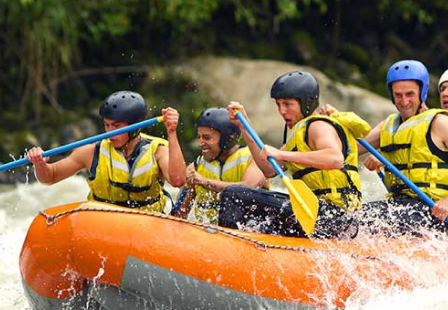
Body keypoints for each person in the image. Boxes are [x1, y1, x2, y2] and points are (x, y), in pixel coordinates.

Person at [223, 71, 371, 238]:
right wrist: (244, 126)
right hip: (316, 212)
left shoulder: (318, 126)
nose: (282, 111)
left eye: (287, 104)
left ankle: (229, 245)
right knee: (250, 204)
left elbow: (334, 158)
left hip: (334, 216)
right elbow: (269, 169)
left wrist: (283, 154)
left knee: (235, 194)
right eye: (278, 104)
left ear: (307, 103)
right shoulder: (299, 135)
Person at [358, 60, 448, 235]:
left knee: (373, 223)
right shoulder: (389, 125)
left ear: (422, 92)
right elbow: (353, 147)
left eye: (410, 94)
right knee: (356, 216)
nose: (404, 102)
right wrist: (333, 124)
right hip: (399, 205)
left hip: (432, 209)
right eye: (398, 95)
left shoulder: (440, 123)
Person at [26, 91, 186, 212]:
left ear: (135, 127)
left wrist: (171, 132)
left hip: (146, 226)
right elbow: (51, 176)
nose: (109, 132)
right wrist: (39, 164)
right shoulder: (91, 152)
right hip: (103, 226)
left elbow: (178, 180)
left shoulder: (157, 150)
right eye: (106, 125)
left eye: (116, 126)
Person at [175, 107, 267, 224]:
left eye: (207, 137)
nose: (200, 143)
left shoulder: (255, 159)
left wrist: (205, 182)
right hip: (206, 234)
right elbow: (180, 213)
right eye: (199, 137)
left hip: (247, 232)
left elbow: (247, 188)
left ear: (228, 138)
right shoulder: (196, 167)